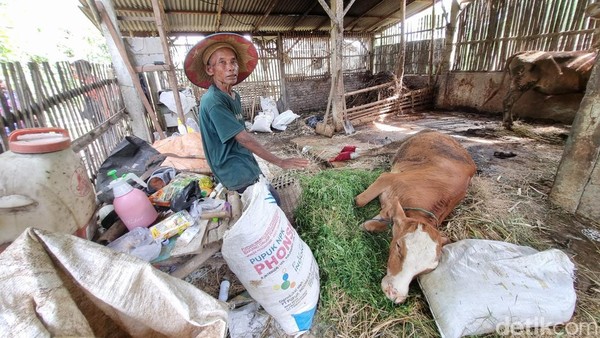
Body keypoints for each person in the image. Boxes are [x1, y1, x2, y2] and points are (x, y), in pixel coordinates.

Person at [183, 33, 309, 201]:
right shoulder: (213, 100)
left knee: (270, 196)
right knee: (271, 201)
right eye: (222, 62)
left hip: (243, 159)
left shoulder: (233, 95)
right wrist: (280, 161)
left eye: (233, 61)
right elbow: (244, 138)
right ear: (210, 69)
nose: (231, 67)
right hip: (230, 167)